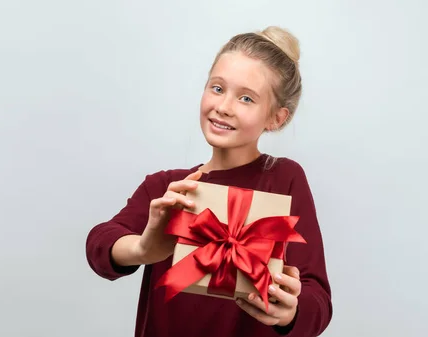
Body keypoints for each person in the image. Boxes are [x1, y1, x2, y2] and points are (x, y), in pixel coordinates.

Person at [85, 26, 332, 337]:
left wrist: (291, 312)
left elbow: (317, 298)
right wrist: (143, 249)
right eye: (217, 88)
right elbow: (99, 243)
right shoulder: (170, 187)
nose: (224, 107)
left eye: (246, 98)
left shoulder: (283, 179)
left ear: (276, 118)